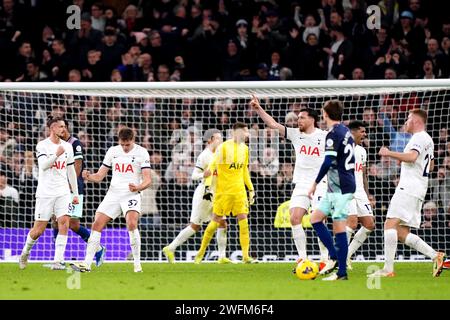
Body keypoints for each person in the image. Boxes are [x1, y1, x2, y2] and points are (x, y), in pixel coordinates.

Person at [249, 94, 330, 268]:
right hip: (301, 184)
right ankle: (303, 258)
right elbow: (272, 124)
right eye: (298, 117)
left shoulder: (324, 136)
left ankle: (325, 259)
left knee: (318, 220)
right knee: (294, 218)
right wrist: (259, 109)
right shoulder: (295, 134)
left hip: (321, 184)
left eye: (302, 117)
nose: (298, 120)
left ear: (312, 120)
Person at [369, 109, 446, 277]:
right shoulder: (428, 139)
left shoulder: (418, 138)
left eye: (409, 119)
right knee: (401, 232)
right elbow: (431, 166)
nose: (406, 122)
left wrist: (389, 153)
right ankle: (436, 256)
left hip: (409, 187)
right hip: (418, 188)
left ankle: (388, 270)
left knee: (389, 224)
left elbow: (412, 157)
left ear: (416, 121)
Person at [70, 127, 152, 273]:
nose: (125, 148)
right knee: (97, 223)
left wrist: (138, 187)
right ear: (119, 141)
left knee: (131, 223)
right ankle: (87, 264)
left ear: (133, 140)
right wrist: (89, 176)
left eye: (128, 145)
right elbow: (100, 176)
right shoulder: (113, 151)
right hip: (113, 194)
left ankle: (137, 264)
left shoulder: (142, 152)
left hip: (131, 193)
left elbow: (148, 180)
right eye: (122, 144)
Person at [162, 129, 231, 264]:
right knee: (195, 226)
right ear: (210, 140)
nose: (221, 141)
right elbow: (194, 175)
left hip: (218, 194)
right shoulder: (204, 156)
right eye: (218, 138)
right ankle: (170, 248)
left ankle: (222, 256)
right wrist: (203, 175)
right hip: (204, 194)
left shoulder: (222, 155)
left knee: (223, 222)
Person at [19, 117, 79, 270]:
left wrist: (75, 193)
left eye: (64, 126)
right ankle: (25, 253)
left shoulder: (68, 146)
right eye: (60, 127)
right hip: (45, 193)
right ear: (52, 129)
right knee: (38, 230)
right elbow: (43, 166)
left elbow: (71, 171)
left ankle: (58, 261)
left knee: (64, 223)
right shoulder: (42, 145)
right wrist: (56, 154)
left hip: (63, 191)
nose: (63, 129)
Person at [308, 100, 356, 281]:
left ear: (325, 114)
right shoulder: (346, 132)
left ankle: (342, 273)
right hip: (336, 186)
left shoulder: (333, 134)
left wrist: (314, 183)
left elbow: (328, 162)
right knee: (315, 218)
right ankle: (335, 257)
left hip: (341, 187)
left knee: (339, 228)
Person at [194, 122, 256, 264]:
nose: (247, 134)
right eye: (244, 131)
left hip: (239, 191)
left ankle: (246, 256)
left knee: (244, 222)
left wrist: (250, 189)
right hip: (223, 192)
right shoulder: (223, 148)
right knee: (215, 222)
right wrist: (209, 186)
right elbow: (212, 166)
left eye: (247, 132)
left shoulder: (245, 149)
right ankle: (201, 252)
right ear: (236, 132)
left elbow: (244, 170)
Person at [51, 120, 106, 267]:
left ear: (66, 128)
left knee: (73, 224)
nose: (59, 130)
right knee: (56, 220)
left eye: (61, 127)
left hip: (74, 188)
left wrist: (71, 184)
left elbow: (78, 164)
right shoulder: (59, 145)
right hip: (60, 188)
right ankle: (58, 259)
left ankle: (98, 248)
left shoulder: (75, 143)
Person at [346, 121, 375, 268]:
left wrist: (368, 195)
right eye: (362, 131)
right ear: (353, 132)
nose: (364, 134)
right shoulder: (342, 148)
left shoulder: (362, 151)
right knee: (352, 222)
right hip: (345, 189)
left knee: (369, 224)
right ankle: (339, 257)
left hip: (360, 191)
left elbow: (363, 175)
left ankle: (347, 255)